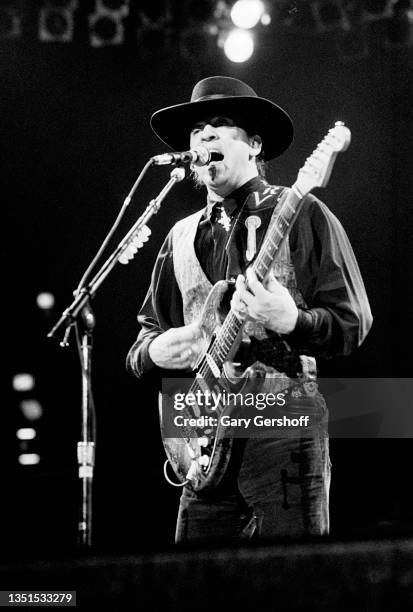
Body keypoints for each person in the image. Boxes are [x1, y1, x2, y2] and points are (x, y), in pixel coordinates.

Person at [127, 76, 372, 543]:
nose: (204, 136)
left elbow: (352, 322)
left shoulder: (302, 212)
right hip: (199, 445)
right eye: (197, 129)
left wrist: (293, 321)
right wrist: (157, 350)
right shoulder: (177, 238)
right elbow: (143, 341)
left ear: (255, 144)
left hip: (282, 426)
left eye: (221, 125)